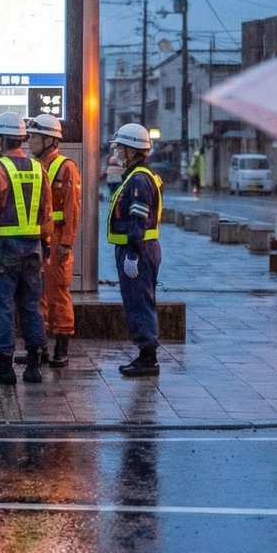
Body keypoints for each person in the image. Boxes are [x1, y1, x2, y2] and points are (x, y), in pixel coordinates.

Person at [0, 111, 52, 385]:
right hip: (33, 249)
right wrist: (46, 243)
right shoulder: (39, 169)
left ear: (0, 139)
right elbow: (47, 214)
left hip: (4, 250)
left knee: (2, 305)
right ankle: (34, 366)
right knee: (31, 304)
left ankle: (5, 367)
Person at [108, 123, 164, 377]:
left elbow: (138, 220)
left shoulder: (139, 179)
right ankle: (145, 354)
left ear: (132, 151)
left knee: (140, 302)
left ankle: (148, 357)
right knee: (137, 301)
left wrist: (132, 254)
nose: (117, 152)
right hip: (140, 249)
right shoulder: (136, 176)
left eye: (121, 148)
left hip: (139, 250)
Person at [28, 114, 81, 368]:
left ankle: (62, 347)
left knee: (57, 292)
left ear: (49, 140)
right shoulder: (33, 165)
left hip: (57, 237)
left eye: (35, 137)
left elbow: (72, 208)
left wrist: (66, 243)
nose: (30, 141)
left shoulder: (66, 167)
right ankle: (41, 347)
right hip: (37, 237)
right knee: (37, 293)